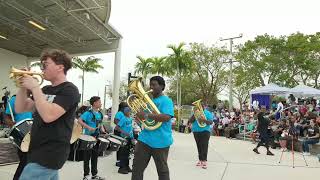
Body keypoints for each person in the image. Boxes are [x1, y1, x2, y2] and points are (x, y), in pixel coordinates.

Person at [16, 49, 80, 180]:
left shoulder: (70, 90)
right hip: (37, 149)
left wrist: (34, 88)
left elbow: (48, 116)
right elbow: (21, 108)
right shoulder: (45, 90)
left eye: (46, 64)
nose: (42, 68)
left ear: (60, 67)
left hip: (51, 152)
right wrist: (23, 85)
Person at [131, 76, 174, 180]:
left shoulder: (166, 100)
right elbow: (145, 119)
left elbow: (167, 117)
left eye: (154, 84)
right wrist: (139, 117)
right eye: (150, 84)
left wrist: (146, 115)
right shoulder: (148, 101)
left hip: (161, 141)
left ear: (162, 86)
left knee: (162, 171)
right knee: (137, 168)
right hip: (144, 139)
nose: (151, 87)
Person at [4, 95, 32, 180]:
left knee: (31, 162)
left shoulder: (32, 99)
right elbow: (7, 117)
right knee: (25, 160)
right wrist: (12, 124)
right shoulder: (14, 99)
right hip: (20, 130)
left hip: (32, 129)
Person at [78, 96, 106, 180]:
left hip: (97, 137)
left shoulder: (100, 114)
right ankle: (86, 175)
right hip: (88, 137)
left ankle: (94, 175)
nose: (101, 103)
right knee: (87, 157)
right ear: (94, 103)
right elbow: (79, 120)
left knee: (95, 156)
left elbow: (100, 124)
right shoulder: (88, 113)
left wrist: (103, 131)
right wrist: (88, 127)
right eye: (99, 102)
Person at [188, 103, 214, 169]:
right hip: (196, 131)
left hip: (205, 131)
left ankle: (204, 161)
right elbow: (190, 121)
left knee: (204, 145)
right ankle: (200, 160)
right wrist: (194, 115)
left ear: (203, 107)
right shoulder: (195, 113)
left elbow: (211, 122)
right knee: (198, 145)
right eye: (197, 107)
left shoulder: (207, 113)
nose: (198, 108)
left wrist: (204, 120)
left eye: (199, 107)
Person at [116, 106, 134, 174]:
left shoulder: (130, 119)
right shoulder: (123, 119)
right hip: (124, 138)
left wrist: (132, 137)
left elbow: (131, 129)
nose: (128, 112)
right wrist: (124, 133)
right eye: (127, 111)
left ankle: (126, 166)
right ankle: (122, 168)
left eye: (129, 111)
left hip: (129, 138)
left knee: (127, 153)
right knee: (123, 153)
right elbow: (117, 127)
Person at [114, 102, 129, 167]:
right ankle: (118, 161)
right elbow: (116, 121)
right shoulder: (119, 113)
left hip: (123, 132)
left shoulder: (124, 114)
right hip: (119, 131)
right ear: (122, 108)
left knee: (123, 147)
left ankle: (122, 159)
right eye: (126, 107)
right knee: (120, 146)